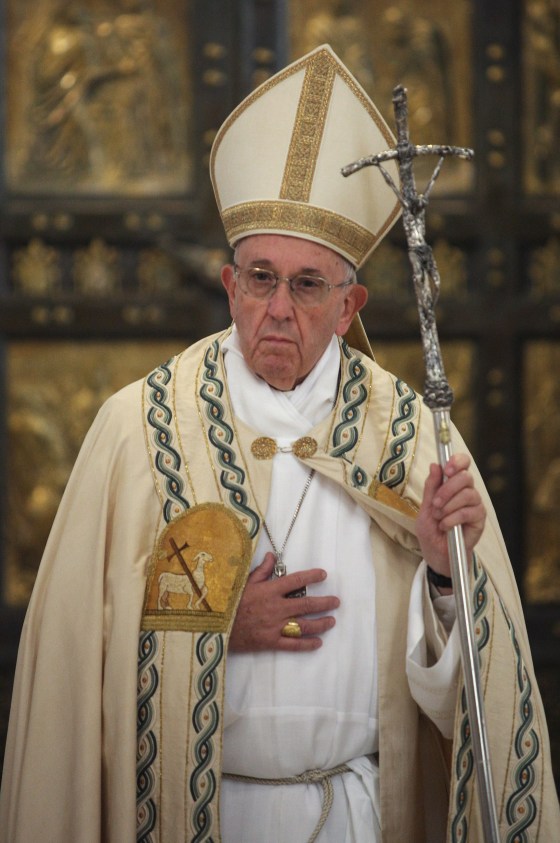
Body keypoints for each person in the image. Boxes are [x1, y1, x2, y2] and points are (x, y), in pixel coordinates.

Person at [1, 44, 559, 843]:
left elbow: (470, 702)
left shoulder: (408, 435)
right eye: (260, 278)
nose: (278, 308)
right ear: (230, 286)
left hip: (358, 817)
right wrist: (214, 627)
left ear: (348, 303)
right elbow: (69, 658)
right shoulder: (140, 426)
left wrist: (444, 571)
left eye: (306, 285)